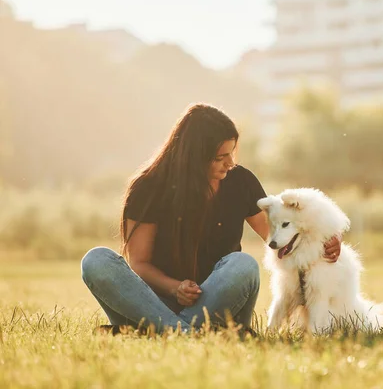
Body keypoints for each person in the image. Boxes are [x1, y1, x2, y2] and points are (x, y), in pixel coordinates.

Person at [81, 103, 341, 333]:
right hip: (155, 303)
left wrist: (325, 239)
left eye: (232, 153)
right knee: (96, 260)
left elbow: (281, 235)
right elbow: (139, 263)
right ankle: (187, 332)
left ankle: (155, 331)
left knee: (243, 265)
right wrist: (175, 288)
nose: (230, 163)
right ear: (194, 157)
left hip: (219, 302)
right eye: (220, 157)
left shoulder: (241, 181)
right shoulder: (148, 188)